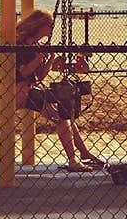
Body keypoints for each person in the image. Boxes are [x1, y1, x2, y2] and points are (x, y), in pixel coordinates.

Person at [14, 9, 103, 173]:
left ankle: (83, 152)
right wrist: (39, 58)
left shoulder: (34, 46)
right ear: (39, 26)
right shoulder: (21, 45)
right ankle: (73, 160)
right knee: (63, 117)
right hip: (20, 91)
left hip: (31, 88)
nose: (51, 29)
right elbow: (24, 72)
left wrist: (50, 58)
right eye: (49, 25)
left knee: (65, 113)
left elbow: (39, 75)